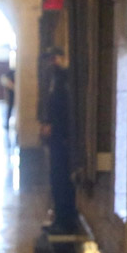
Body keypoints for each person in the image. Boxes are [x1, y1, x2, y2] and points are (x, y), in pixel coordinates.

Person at [39, 46, 78, 234]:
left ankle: (65, 220)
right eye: (49, 59)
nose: (51, 62)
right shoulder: (53, 79)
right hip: (55, 137)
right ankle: (59, 218)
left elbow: (64, 109)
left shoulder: (65, 79)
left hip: (63, 137)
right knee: (56, 177)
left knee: (62, 178)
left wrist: (54, 126)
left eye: (54, 58)